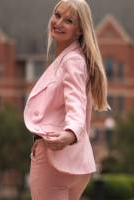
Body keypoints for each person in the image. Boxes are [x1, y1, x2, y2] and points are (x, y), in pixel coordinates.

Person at [24, 0, 109, 199]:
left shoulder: (72, 61)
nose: (59, 22)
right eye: (57, 15)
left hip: (54, 158)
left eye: (68, 20)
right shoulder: (75, 59)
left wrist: (70, 133)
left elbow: (76, 104)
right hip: (77, 163)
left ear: (80, 30)